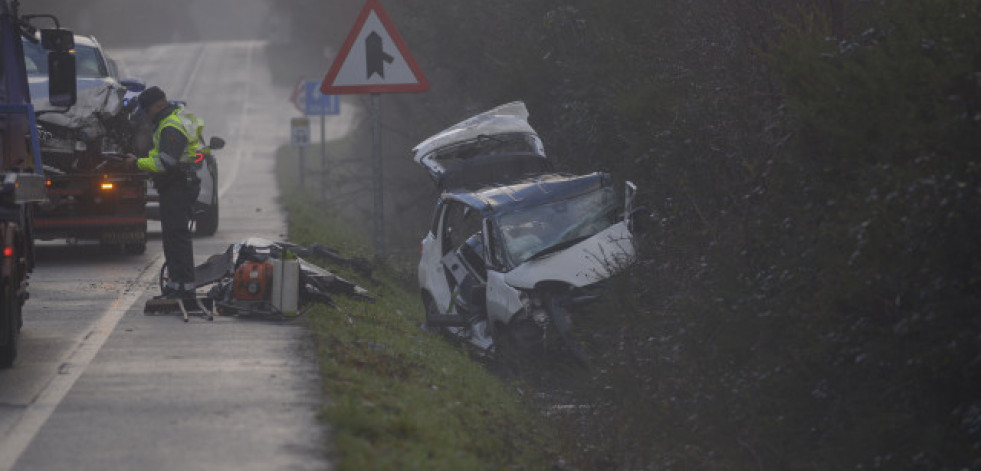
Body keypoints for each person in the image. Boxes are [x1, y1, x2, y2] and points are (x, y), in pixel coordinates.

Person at [125, 86, 204, 299]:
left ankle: (185, 287)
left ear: (158, 105)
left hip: (178, 186)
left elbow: (166, 162)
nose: (147, 115)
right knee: (172, 237)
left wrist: (138, 163)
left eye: (147, 110)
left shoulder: (170, 126)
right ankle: (176, 283)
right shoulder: (171, 120)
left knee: (177, 237)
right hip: (175, 186)